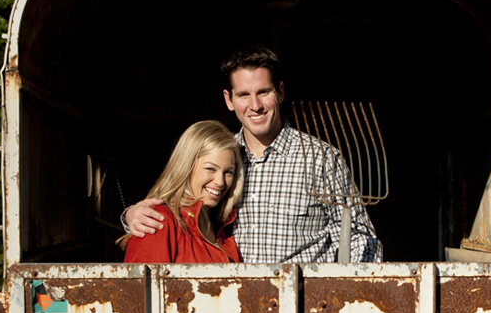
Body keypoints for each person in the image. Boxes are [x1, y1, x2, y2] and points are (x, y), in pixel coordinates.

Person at [124, 47, 383, 263]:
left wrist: (352, 291)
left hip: (303, 300)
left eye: (263, 92)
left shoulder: (321, 159)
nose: (255, 106)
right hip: (236, 301)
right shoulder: (223, 157)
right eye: (243, 95)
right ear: (229, 100)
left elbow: (359, 237)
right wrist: (131, 216)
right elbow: (182, 206)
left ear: (280, 92)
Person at [122, 120, 243, 264]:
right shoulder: (157, 221)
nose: (220, 181)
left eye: (229, 172)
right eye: (210, 169)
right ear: (186, 166)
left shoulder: (223, 228)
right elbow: (142, 279)